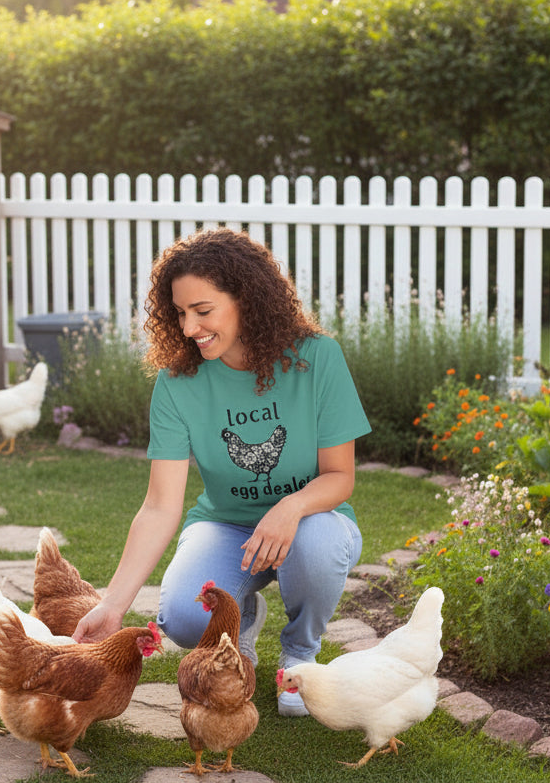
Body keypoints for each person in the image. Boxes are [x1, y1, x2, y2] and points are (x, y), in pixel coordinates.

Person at [72, 227, 371, 716]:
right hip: (226, 524)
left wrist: (290, 507)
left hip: (314, 520)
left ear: (247, 300)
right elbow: (160, 505)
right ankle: (242, 620)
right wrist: (113, 604)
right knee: (186, 620)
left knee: (314, 545)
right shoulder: (176, 383)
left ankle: (300, 651)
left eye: (203, 311)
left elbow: (339, 477)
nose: (189, 328)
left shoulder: (317, 359)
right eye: (180, 313)